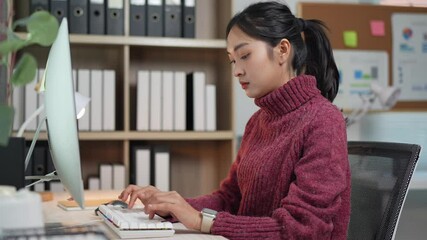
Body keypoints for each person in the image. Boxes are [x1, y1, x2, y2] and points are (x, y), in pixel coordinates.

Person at [119, 1, 350, 239]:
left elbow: (301, 229)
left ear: (282, 50)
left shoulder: (323, 120)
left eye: (245, 55)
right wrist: (172, 206)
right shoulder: (258, 122)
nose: (236, 71)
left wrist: (199, 220)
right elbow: (229, 199)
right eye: (232, 60)